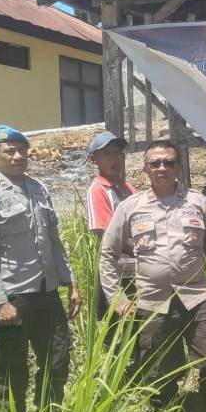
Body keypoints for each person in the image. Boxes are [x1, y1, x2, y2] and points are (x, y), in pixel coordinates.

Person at [99, 140, 206, 410]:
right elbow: (107, 254)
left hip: (196, 297)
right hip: (152, 302)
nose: (162, 168)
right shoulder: (129, 207)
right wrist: (118, 299)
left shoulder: (198, 202)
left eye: (169, 163)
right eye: (155, 163)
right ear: (145, 169)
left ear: (178, 168)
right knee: (158, 371)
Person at [0, 125, 80, 412]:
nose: (18, 156)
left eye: (22, 150)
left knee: (57, 359)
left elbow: (53, 239)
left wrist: (70, 282)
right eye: (9, 151)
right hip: (13, 297)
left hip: (46, 292)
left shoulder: (38, 188)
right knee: (12, 368)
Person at [85, 131, 137, 322]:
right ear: (94, 160)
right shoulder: (98, 190)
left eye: (117, 153)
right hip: (117, 273)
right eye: (107, 154)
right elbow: (107, 235)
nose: (113, 158)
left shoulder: (128, 187)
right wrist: (144, 248)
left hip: (137, 269)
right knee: (122, 332)